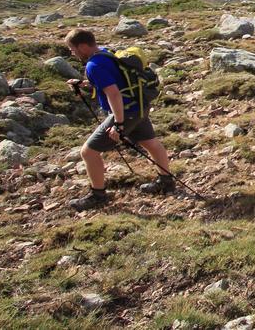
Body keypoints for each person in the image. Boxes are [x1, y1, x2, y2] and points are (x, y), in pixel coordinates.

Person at [64, 28, 173, 211]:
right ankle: (166, 181)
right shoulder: (106, 54)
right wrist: (85, 85)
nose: (72, 53)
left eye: (73, 49)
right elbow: (116, 82)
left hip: (125, 112)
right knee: (150, 142)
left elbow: (113, 94)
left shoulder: (93, 65)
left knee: (88, 153)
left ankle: (97, 195)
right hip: (139, 106)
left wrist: (118, 124)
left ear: (82, 46)